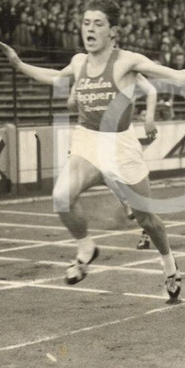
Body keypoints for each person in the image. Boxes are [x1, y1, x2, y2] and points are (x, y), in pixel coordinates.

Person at [0, 0, 185, 302]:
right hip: (87, 140)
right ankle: (86, 248)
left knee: (147, 220)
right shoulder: (78, 62)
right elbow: (55, 78)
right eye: (86, 23)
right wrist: (19, 64)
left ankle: (168, 264)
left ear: (112, 31)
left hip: (121, 146)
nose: (90, 29)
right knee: (61, 196)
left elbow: (176, 77)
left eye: (98, 24)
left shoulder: (127, 61)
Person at [69, 73, 159, 251]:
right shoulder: (86, 73)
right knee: (105, 173)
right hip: (95, 135)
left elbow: (151, 90)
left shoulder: (124, 68)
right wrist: (76, 95)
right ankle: (129, 204)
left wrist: (149, 118)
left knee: (130, 183)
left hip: (121, 137)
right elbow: (71, 105)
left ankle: (144, 224)